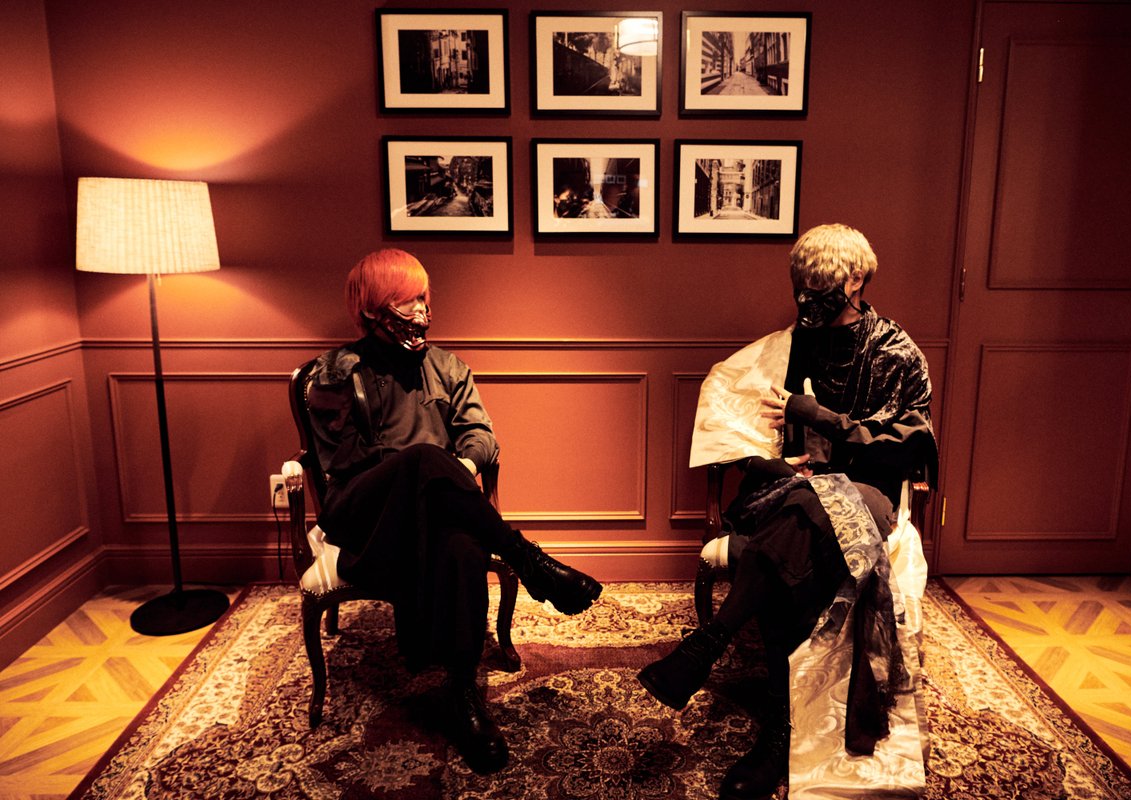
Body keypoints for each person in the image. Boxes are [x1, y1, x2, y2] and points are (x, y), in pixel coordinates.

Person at [638, 224, 938, 800]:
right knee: (802, 513)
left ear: (856, 280)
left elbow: (906, 451)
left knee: (810, 510)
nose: (807, 300)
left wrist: (816, 415)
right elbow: (738, 434)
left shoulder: (898, 354)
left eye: (820, 287)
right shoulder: (789, 346)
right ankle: (778, 724)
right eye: (800, 286)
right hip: (788, 493)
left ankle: (719, 654)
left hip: (868, 495)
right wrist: (778, 466)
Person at [305, 248, 602, 775]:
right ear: (372, 308)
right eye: (406, 301)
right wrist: (421, 470)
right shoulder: (334, 374)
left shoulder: (447, 367)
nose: (421, 311)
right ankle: (527, 558)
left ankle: (462, 693)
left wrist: (459, 468)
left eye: (423, 297)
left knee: (463, 545)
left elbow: (481, 435)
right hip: (365, 518)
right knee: (423, 458)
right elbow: (345, 464)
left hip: (440, 510)